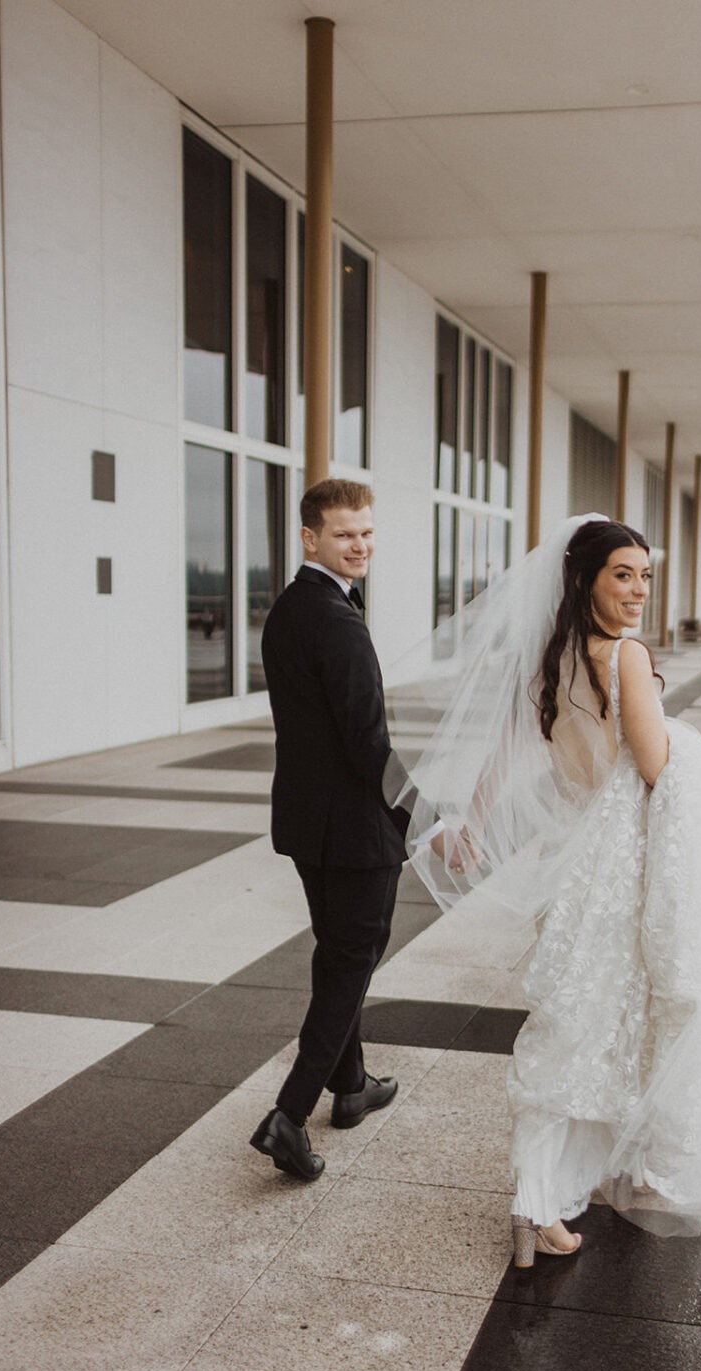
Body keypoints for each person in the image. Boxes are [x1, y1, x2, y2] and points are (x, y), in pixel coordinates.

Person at [403, 516, 701, 1264]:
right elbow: (654, 765)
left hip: (578, 861)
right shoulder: (625, 659)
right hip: (626, 869)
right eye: (623, 574)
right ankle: (564, 1189)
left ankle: (538, 1202)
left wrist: (471, 823)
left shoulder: (548, 665)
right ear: (585, 579)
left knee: (573, 1026)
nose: (638, 590)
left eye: (645, 576)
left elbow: (501, 755)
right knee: (624, 1019)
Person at [250, 478, 447, 1181]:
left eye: (366, 532)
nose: (360, 545)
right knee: (350, 963)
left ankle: (352, 1086)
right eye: (344, 534)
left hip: (309, 824)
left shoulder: (288, 611)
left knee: (340, 953)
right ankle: (288, 1115)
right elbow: (369, 745)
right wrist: (425, 816)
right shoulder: (335, 622)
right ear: (311, 538)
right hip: (355, 832)